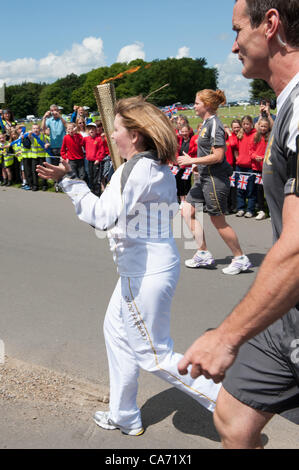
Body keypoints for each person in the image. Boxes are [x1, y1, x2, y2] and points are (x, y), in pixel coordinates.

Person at [37, 96, 221, 436]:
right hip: (144, 268)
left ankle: (230, 403)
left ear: (134, 135)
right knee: (115, 333)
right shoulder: (152, 165)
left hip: (144, 274)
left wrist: (69, 183)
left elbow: (102, 217)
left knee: (153, 354)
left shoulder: (134, 168)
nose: (113, 135)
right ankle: (125, 415)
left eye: (117, 129)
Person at [178, 0, 299, 449]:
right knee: (232, 417)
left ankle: (230, 254)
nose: (232, 46)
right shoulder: (287, 105)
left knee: (217, 217)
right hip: (287, 313)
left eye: (236, 31)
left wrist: (228, 336)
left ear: (270, 25)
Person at [177, 89, 251, 275]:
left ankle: (240, 258)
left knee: (218, 221)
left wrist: (192, 161)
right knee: (187, 210)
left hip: (215, 179)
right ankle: (202, 252)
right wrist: (197, 165)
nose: (193, 106)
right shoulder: (205, 124)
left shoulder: (215, 125)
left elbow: (218, 156)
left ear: (207, 105)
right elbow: (207, 154)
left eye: (197, 103)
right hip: (203, 176)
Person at [235, 116, 257, 218]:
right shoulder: (240, 134)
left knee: (251, 189)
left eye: (247, 124)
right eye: (244, 124)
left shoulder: (256, 134)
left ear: (251, 124)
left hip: (251, 167)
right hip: (240, 166)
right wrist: (237, 159)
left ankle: (250, 209)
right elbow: (234, 147)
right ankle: (240, 208)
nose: (245, 126)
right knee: (240, 189)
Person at [250, 117, 271, 220]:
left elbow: (272, 151)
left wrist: (263, 158)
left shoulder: (270, 137)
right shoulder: (255, 137)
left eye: (265, 126)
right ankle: (262, 210)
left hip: (268, 168)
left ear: (268, 127)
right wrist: (255, 157)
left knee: (270, 190)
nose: (263, 128)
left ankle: (272, 211)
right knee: (259, 190)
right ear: (258, 126)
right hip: (257, 168)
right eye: (261, 126)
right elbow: (251, 151)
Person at [83, 122, 105, 197]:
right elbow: (79, 142)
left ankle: (97, 193)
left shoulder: (98, 139)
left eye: (93, 129)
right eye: (89, 129)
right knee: (90, 177)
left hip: (96, 162)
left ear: (96, 130)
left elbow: (101, 151)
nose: (91, 131)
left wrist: (98, 159)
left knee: (96, 178)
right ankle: (92, 192)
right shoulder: (86, 139)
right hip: (89, 161)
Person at [225, 120, 241, 213]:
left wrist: (229, 133)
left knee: (233, 187)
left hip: (232, 166)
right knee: (226, 188)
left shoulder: (231, 138)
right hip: (223, 168)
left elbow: (233, 144)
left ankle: (234, 205)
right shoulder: (221, 141)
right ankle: (226, 206)